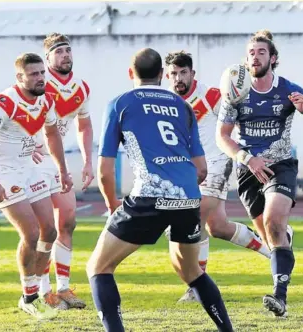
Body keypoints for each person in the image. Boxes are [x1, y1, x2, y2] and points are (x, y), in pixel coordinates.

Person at [86, 48, 234, 332]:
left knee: (98, 267)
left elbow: (105, 168)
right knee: (192, 272)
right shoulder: (182, 106)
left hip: (149, 196)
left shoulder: (120, 103)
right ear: (161, 75)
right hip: (189, 197)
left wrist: (111, 204)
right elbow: (201, 168)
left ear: (131, 74)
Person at [216, 30, 303, 317]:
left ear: (273, 58)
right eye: (250, 53)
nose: (254, 57)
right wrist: (247, 158)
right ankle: (283, 242)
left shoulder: (288, 88)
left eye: (260, 52)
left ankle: (279, 298)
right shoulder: (235, 93)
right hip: (248, 171)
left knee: (274, 220)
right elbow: (223, 136)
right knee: (271, 238)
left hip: (280, 166)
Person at [0, 52, 73, 319]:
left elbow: (52, 134)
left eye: (42, 72)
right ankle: (28, 296)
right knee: (30, 233)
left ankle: (38, 290)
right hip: (4, 174)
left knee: (49, 231)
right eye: (34, 74)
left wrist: (62, 170)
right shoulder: (3, 103)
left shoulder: (47, 99)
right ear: (20, 77)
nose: (41, 78)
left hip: (29, 168)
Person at [164, 51, 271, 302]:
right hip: (188, 171)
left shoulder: (211, 95)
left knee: (195, 216)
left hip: (216, 164)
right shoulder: (167, 101)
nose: (178, 78)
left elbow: (234, 122)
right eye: (173, 74)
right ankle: (274, 250)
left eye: (183, 73)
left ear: (192, 73)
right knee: (218, 227)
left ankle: (197, 287)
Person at [32, 32, 93, 309]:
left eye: (68, 50)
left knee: (67, 222)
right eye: (59, 52)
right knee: (44, 229)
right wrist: (25, 145)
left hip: (58, 163)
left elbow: (84, 126)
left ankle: (65, 288)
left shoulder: (81, 88)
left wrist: (88, 161)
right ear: (47, 58)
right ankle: (45, 292)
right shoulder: (38, 84)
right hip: (33, 163)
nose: (65, 55)